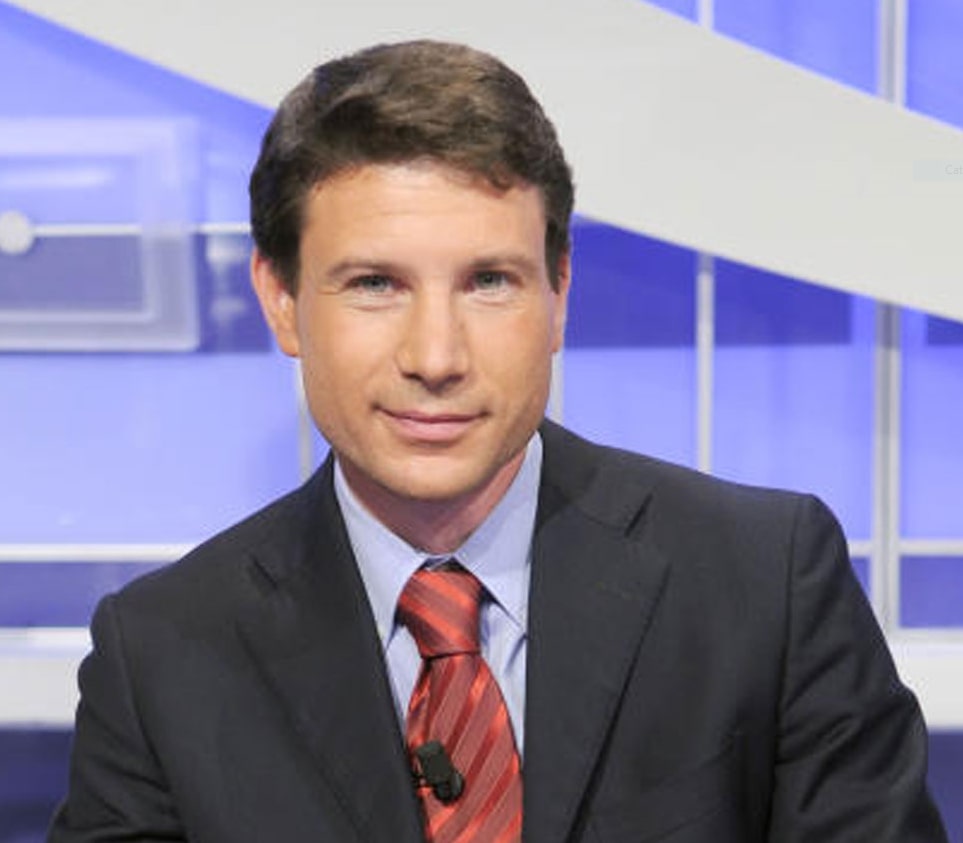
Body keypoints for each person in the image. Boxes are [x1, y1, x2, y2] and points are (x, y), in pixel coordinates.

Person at [49, 40, 947, 843]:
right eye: (374, 284)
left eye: (488, 281)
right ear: (281, 300)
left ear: (558, 294)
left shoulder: (764, 583)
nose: (435, 357)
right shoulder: (162, 656)